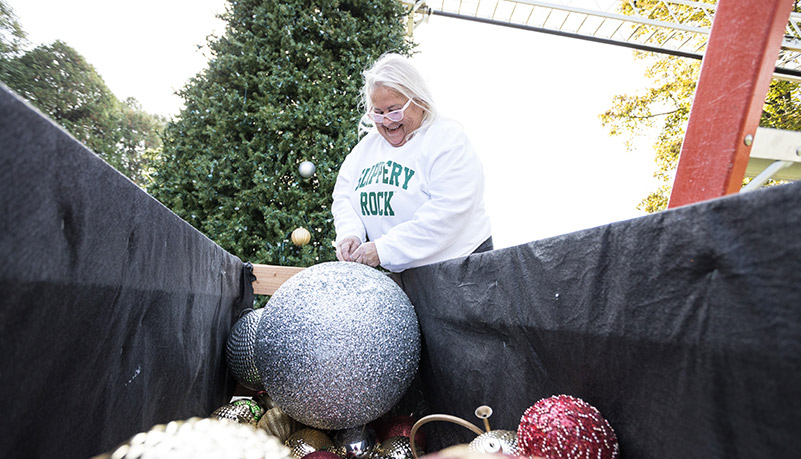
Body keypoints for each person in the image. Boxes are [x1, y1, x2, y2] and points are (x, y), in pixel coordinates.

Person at [331, 53, 492, 273]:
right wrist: (350, 233)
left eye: (394, 111)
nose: (387, 121)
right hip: (401, 274)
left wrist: (384, 249)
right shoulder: (364, 151)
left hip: (461, 273)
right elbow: (344, 197)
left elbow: (448, 213)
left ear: (419, 100)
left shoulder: (447, 140)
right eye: (378, 114)